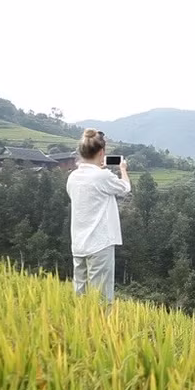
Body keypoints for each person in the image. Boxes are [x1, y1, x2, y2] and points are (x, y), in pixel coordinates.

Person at [66, 128, 130, 304]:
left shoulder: (72, 177)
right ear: (102, 152)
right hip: (100, 243)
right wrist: (122, 169)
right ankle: (101, 330)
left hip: (78, 243)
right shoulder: (102, 176)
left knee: (80, 296)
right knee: (101, 299)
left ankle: (81, 328)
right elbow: (125, 188)